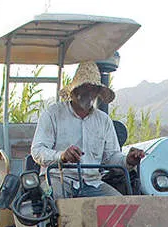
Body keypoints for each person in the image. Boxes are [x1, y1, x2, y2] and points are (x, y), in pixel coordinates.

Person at [31, 62, 145, 198]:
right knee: (56, 208)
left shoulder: (103, 120)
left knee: (120, 206)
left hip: (93, 183)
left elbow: (111, 157)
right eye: (85, 87)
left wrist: (128, 160)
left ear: (98, 93)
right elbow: (37, 151)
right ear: (74, 90)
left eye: (94, 89)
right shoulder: (53, 114)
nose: (89, 93)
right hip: (58, 179)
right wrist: (62, 156)